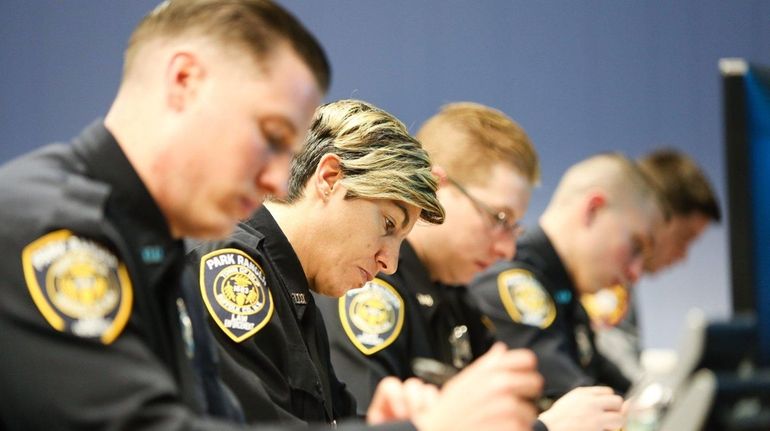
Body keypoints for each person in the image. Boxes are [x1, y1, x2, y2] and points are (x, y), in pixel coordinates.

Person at [0, 2, 537, 431]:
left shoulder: (154, 243)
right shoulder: (47, 226)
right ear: (184, 80)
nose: (279, 182)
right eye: (272, 136)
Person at [187, 99, 544, 429]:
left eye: (401, 240)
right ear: (330, 179)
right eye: (388, 224)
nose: (389, 263)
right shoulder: (236, 270)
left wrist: (383, 421)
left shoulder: (295, 289)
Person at [316, 103, 626, 431]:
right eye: (499, 219)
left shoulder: (458, 300)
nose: (507, 249)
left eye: (513, 228)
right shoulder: (368, 286)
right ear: (436, 188)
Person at [470, 153, 666, 400]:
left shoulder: (564, 294)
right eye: (636, 246)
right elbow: (576, 403)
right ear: (593, 210)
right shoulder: (515, 284)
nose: (635, 273)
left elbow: (622, 393)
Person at [581, 148, 721, 381]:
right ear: (657, 218)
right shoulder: (606, 274)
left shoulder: (622, 279)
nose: (683, 255)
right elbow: (612, 356)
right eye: (684, 238)